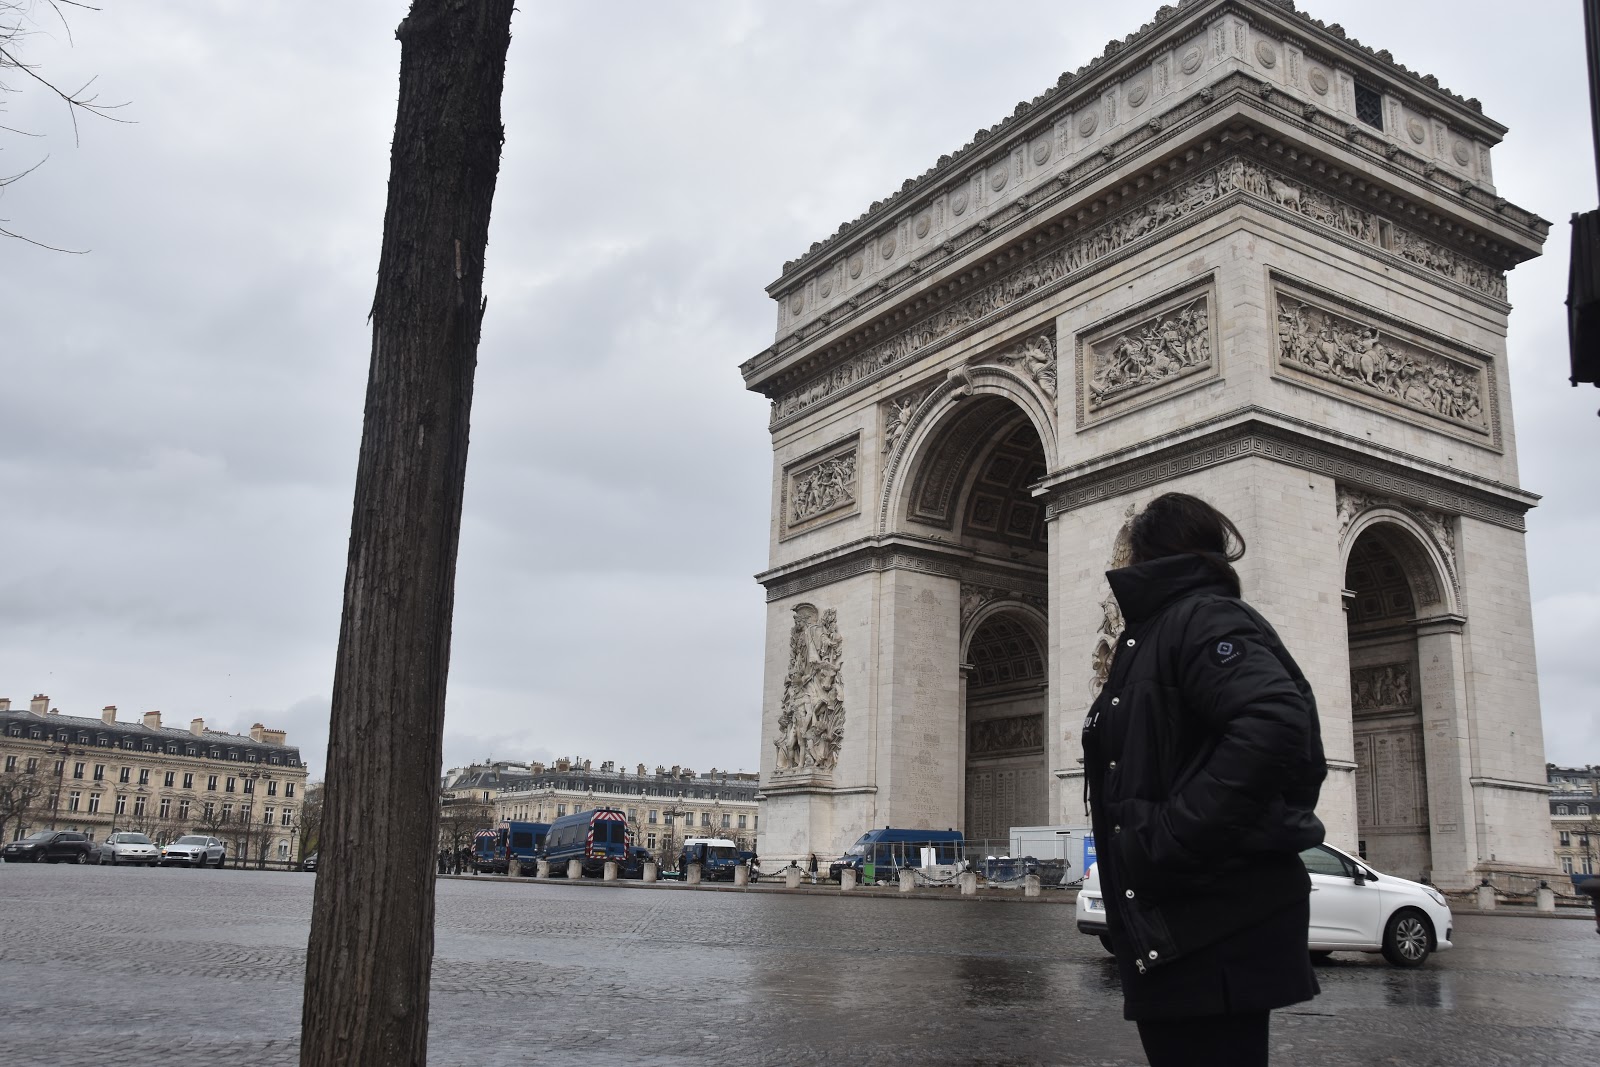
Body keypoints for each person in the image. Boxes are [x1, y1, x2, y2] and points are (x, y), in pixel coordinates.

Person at [1081, 492, 1326, 1067]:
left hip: (1208, 918)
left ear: (1147, 554)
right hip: (1182, 917)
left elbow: (1274, 721)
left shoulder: (1202, 619)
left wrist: (1171, 837)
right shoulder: (1164, 630)